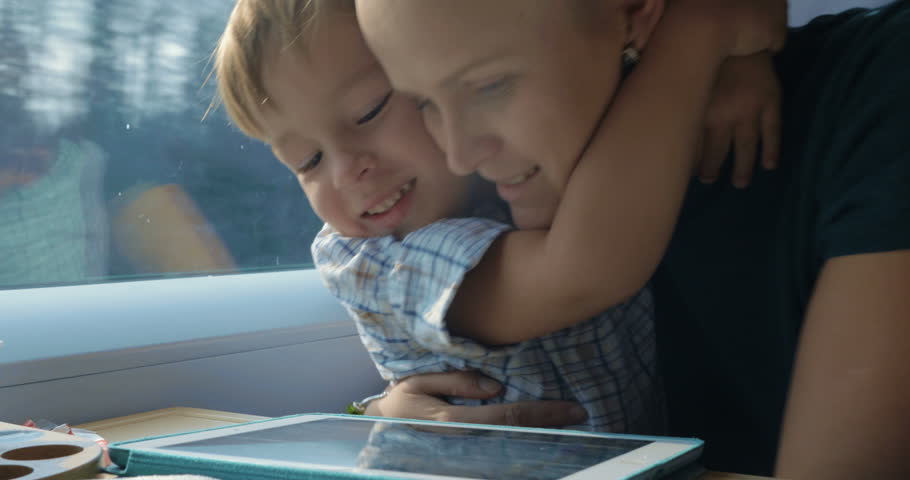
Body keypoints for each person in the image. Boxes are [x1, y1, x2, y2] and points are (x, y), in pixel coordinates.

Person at [354, 1, 910, 478]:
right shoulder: (471, 207)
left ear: (639, 12)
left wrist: (700, 30)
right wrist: (392, 418)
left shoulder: (875, 90)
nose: (458, 156)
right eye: (422, 101)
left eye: (491, 85)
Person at [212, 0, 781, 434]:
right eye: (307, 161)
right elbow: (586, 268)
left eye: (370, 111)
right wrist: (700, 42)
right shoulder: (378, 260)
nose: (345, 170)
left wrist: (741, 64)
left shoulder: (508, 165)